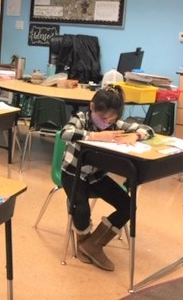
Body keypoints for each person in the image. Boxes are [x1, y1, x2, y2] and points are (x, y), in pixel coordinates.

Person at [60, 84, 154, 271]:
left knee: (128, 206)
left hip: (96, 176)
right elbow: (65, 133)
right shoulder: (81, 119)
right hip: (73, 173)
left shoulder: (115, 124)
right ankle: (84, 242)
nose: (107, 122)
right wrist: (96, 136)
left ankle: (93, 245)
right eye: (103, 118)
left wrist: (135, 135)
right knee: (81, 208)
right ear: (92, 107)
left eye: (113, 118)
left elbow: (148, 129)